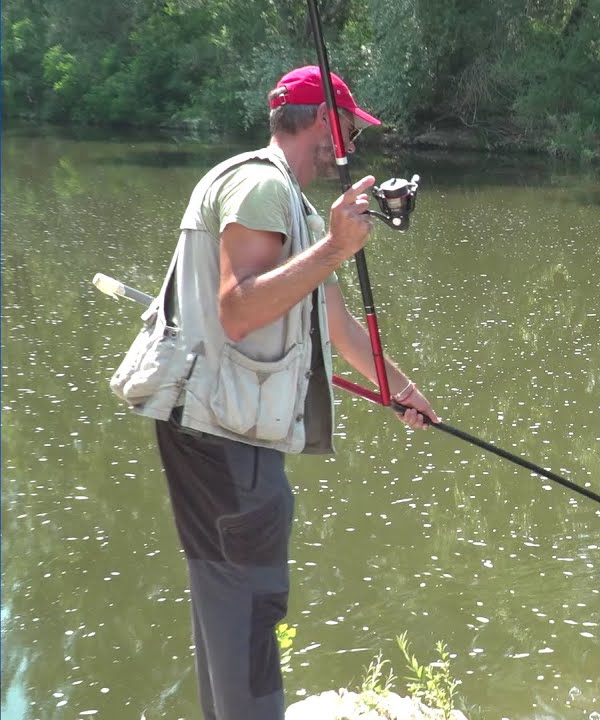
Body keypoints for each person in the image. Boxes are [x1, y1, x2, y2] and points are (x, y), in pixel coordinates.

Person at [131, 66, 438, 719]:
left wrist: (401, 390)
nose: (353, 142)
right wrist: (333, 247)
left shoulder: (277, 196)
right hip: (225, 436)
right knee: (247, 604)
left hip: (216, 428)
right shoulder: (263, 187)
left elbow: (332, 320)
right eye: (351, 126)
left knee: (227, 602)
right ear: (325, 121)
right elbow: (239, 311)